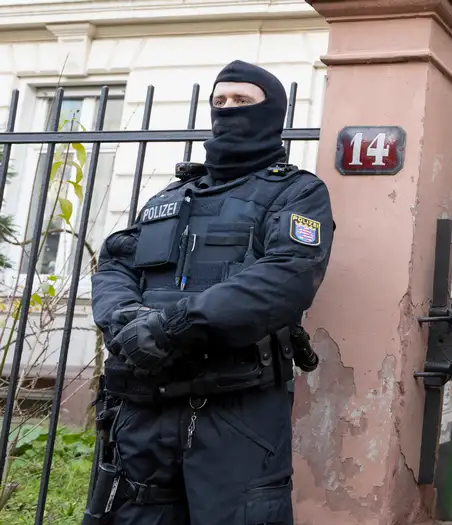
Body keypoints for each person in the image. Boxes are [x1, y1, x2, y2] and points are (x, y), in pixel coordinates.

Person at [83, 60, 334, 525]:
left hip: (235, 410)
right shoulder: (170, 198)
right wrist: (124, 320)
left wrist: (170, 327)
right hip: (145, 404)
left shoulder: (297, 193)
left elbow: (287, 276)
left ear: (271, 112)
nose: (228, 109)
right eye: (220, 101)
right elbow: (116, 262)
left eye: (242, 100)